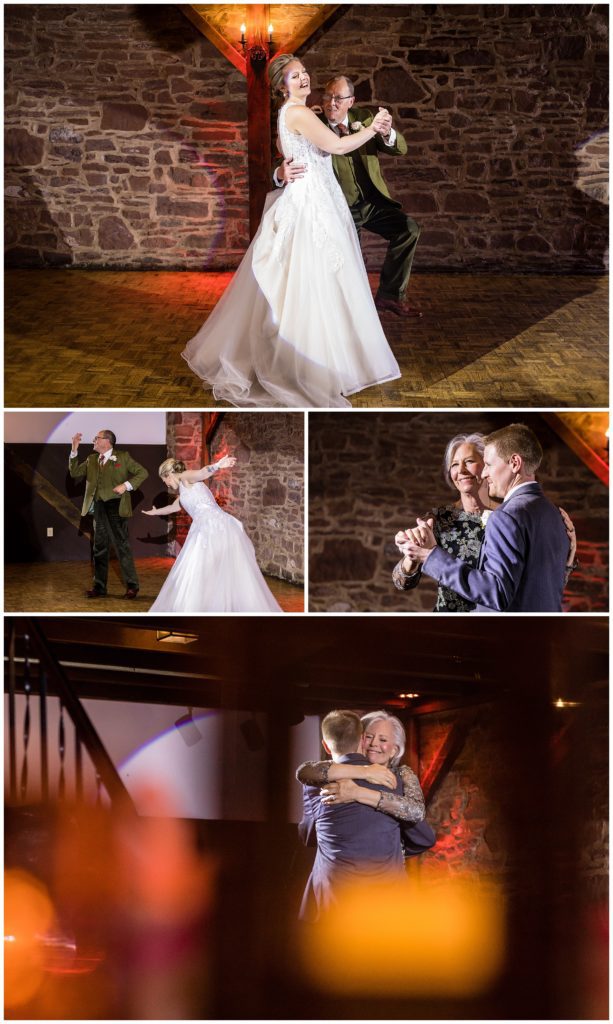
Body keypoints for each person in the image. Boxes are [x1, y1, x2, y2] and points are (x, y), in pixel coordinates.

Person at [182, 54, 400, 409]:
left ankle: (324, 362)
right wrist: (372, 127)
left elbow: (296, 151)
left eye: (304, 73)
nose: (303, 79)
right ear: (282, 85)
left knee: (317, 284)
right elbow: (337, 147)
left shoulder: (296, 113)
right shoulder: (296, 113)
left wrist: (289, 166)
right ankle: (312, 367)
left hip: (316, 199)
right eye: (295, 76)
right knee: (314, 283)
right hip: (312, 207)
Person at [276, 73, 421, 318]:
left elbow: (401, 148)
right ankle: (352, 311)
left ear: (351, 102)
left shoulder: (364, 119)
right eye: (327, 97)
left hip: (372, 202)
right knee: (348, 256)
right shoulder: (312, 120)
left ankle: (390, 296)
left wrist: (387, 133)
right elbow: (288, 149)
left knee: (409, 230)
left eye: (338, 98)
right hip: (336, 205)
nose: (331, 103)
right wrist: (279, 172)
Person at [392, 431, 577, 612]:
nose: (461, 470)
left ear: (486, 464)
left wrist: (567, 562)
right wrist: (412, 554)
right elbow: (401, 582)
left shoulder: (507, 516)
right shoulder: (439, 519)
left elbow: (534, 583)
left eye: (470, 461)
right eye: (454, 464)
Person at [297, 710, 425, 921]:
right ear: (361, 739)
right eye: (370, 737)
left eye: (383, 739)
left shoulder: (316, 783)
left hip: (334, 900)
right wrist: (365, 772)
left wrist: (357, 792)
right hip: (386, 902)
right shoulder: (395, 783)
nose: (375, 743)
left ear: (326, 746)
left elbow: (308, 834)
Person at [142, 456, 282, 613]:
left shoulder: (185, 476)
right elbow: (173, 508)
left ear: (169, 474)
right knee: (207, 570)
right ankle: (211, 607)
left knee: (202, 568)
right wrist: (155, 512)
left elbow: (202, 473)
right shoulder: (183, 488)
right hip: (205, 528)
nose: (166, 484)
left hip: (214, 527)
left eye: (164, 480)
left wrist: (218, 465)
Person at [69, 430, 148, 599]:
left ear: (107, 441)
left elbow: (143, 472)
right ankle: (99, 587)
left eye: (97, 438)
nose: (94, 440)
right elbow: (74, 472)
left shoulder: (123, 456)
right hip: (98, 506)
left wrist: (126, 485)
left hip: (116, 506)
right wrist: (74, 450)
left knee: (122, 546)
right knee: (99, 547)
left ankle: (132, 586)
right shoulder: (91, 459)